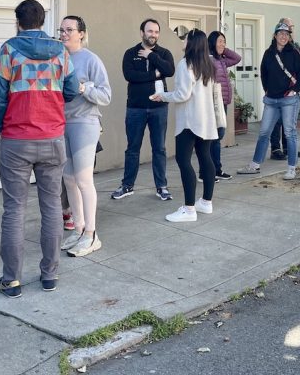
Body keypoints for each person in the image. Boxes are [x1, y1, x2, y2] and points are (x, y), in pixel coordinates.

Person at [0, 0, 79, 298]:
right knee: (52, 206)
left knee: (14, 209)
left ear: (18, 21)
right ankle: (49, 275)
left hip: (16, 138)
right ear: (43, 21)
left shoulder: (9, 50)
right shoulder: (60, 51)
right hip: (52, 137)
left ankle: (11, 280)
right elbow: (70, 90)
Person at [151, 29, 223, 222]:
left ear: (192, 42)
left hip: (189, 121)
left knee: (183, 161)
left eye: (185, 38)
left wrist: (163, 96)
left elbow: (183, 94)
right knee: (205, 158)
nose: (182, 41)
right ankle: (206, 202)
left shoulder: (185, 64)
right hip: (206, 120)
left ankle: (189, 209)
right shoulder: (209, 64)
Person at [58, 15, 111, 258]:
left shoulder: (91, 60)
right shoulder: (58, 58)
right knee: (68, 179)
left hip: (85, 123)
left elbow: (106, 95)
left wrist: (83, 88)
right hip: (62, 123)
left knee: (83, 180)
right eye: (62, 29)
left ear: (81, 33)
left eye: (70, 29)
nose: (64, 33)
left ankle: (91, 234)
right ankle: (77, 230)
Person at [111, 19, 176, 201]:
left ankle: (161, 187)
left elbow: (169, 71)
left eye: (156, 32)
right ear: (142, 32)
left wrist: (151, 56)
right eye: (149, 31)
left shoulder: (164, 53)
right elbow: (130, 76)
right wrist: (153, 74)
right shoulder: (130, 53)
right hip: (135, 108)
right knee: (132, 149)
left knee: (159, 149)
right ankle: (127, 186)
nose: (153, 35)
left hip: (159, 108)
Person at [238, 22, 300, 178]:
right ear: (275, 35)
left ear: (289, 37)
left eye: (286, 34)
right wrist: (267, 90)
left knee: (290, 133)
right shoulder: (268, 53)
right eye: (280, 33)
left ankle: (291, 168)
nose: (283, 36)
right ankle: (255, 165)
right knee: (263, 133)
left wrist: (293, 91)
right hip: (271, 100)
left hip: (289, 100)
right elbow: (264, 74)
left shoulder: (294, 53)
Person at [269, 18, 300, 160]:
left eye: (291, 28)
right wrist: (269, 90)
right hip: (276, 93)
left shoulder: (294, 47)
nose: (290, 31)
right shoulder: (273, 50)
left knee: (289, 122)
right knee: (276, 122)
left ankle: (287, 148)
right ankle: (276, 149)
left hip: (291, 92)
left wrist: (297, 88)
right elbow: (266, 72)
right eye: (287, 27)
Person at [207, 30, 241, 180]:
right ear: (212, 42)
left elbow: (237, 58)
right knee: (213, 137)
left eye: (224, 41)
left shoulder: (221, 60)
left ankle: (217, 169)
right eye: (220, 41)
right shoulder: (208, 60)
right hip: (212, 104)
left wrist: (223, 49)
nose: (223, 44)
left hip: (223, 104)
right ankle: (208, 170)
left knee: (218, 137)